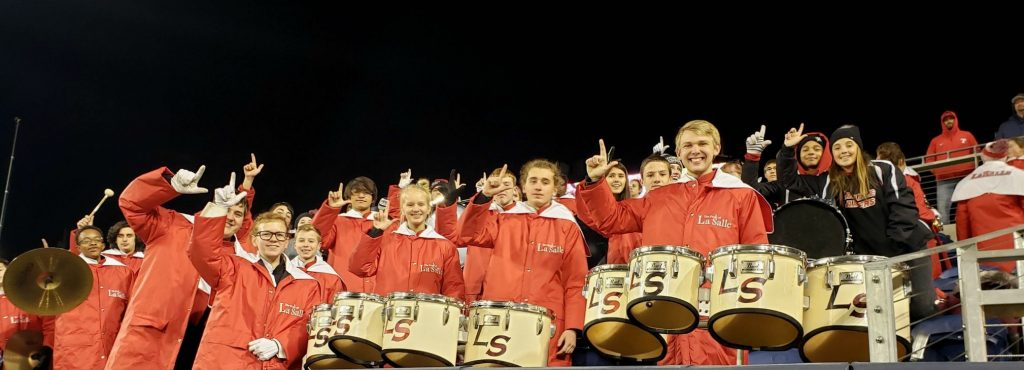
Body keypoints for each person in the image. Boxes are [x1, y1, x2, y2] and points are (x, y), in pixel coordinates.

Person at [576, 120, 773, 365]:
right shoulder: (658, 196)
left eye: (702, 144)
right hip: (664, 310)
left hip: (718, 312)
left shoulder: (741, 195)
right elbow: (610, 220)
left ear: (716, 148)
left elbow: (756, 251)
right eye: (688, 145)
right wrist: (595, 182)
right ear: (678, 153)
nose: (695, 150)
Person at [107, 159, 255, 370]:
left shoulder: (241, 257)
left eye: (238, 214)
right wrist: (169, 184)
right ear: (213, 206)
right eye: (227, 209)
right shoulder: (173, 225)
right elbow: (131, 204)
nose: (230, 217)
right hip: (154, 337)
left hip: (204, 347)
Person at [778, 124, 937, 320]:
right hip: (871, 258)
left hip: (908, 248)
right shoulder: (829, 180)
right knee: (880, 313)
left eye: (848, 145)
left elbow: (903, 208)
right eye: (837, 147)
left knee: (922, 308)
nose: (843, 151)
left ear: (858, 147)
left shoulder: (882, 169)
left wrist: (893, 245)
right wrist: (787, 150)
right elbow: (789, 181)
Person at [457, 160, 588, 366]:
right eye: (533, 180)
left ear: (555, 188)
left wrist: (572, 328)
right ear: (523, 187)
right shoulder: (503, 219)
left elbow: (576, 281)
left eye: (545, 182)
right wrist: (484, 196)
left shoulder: (567, 226)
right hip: (500, 319)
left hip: (548, 323)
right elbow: (465, 235)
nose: (538, 186)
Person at [189, 177, 322, 370]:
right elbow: (201, 252)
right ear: (254, 239)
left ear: (287, 241)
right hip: (223, 362)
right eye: (265, 234)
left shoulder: (308, 284)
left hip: (276, 365)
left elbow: (308, 327)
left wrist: (280, 344)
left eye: (279, 235)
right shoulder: (233, 266)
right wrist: (217, 209)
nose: (272, 240)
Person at [349, 186, 466, 300]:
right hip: (388, 315)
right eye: (410, 205)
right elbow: (359, 268)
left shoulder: (445, 246)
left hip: (427, 315)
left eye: (421, 204)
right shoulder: (385, 239)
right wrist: (375, 231)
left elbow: (453, 288)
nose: (416, 209)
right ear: (403, 209)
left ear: (428, 208)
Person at [52, 225, 135, 370]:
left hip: (112, 346)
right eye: (86, 241)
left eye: (97, 240)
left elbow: (132, 309)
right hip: (74, 352)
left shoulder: (123, 272)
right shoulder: (66, 272)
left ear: (103, 244)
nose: (92, 243)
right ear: (77, 247)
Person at [435, 168, 520, 303]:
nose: (501, 189)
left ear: (515, 190)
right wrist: (448, 204)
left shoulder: (524, 219)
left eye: (506, 185)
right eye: (497, 185)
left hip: (507, 293)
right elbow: (451, 237)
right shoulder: (479, 213)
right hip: (472, 291)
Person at [953, 140, 1024, 273]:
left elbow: (962, 228)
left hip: (986, 258)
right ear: (1005, 155)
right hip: (1017, 252)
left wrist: (967, 255)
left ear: (983, 156)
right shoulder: (1019, 175)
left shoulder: (966, 183)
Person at [312, 177, 379, 292]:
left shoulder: (380, 223)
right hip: (343, 288)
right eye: (356, 192)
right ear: (349, 197)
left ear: (373, 198)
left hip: (376, 288)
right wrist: (331, 209)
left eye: (366, 193)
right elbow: (317, 238)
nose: (361, 196)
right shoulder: (338, 221)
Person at [926, 111, 979, 224]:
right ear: (942, 122)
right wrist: (939, 172)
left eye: (951, 118)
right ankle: (945, 236)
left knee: (972, 204)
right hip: (944, 180)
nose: (949, 121)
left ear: (956, 120)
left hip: (966, 177)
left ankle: (975, 226)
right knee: (943, 209)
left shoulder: (967, 135)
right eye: (945, 119)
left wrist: (971, 168)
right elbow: (928, 160)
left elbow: (977, 152)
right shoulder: (936, 141)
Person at [0, 259, 53, 353]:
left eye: (0, 269)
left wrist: (47, 348)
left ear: (9, 270)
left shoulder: (32, 297)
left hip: (35, 357)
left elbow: (50, 326)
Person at [68, 216, 145, 273]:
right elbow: (77, 259)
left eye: (129, 235)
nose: (124, 239)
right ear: (115, 239)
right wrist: (84, 230)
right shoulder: (104, 256)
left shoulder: (145, 260)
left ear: (136, 238)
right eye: (120, 236)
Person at [289, 224, 345, 300]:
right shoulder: (285, 271)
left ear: (318, 246)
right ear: (295, 245)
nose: (306, 245)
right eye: (301, 240)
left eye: (311, 241)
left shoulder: (332, 277)